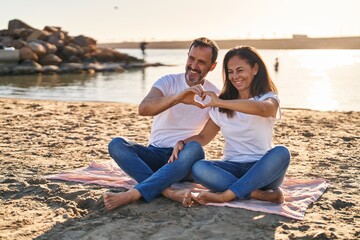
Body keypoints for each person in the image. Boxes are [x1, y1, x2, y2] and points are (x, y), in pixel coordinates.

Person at [103, 37, 220, 210]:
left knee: (196, 149)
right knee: (117, 144)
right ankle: (168, 192)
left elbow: (204, 136)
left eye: (201, 62)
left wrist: (182, 144)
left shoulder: (215, 95)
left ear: (212, 66)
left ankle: (135, 193)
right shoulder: (167, 81)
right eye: (191, 58)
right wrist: (178, 98)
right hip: (154, 155)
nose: (194, 65)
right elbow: (144, 109)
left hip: (183, 160)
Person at [169, 46, 291, 205]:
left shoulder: (268, 97)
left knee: (282, 152)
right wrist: (183, 142)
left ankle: (225, 195)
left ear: (255, 69)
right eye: (230, 72)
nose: (235, 76)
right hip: (230, 168)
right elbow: (204, 136)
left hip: (262, 171)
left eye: (240, 70)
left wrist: (220, 102)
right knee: (199, 167)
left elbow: (263, 109)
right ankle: (255, 193)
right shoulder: (221, 105)